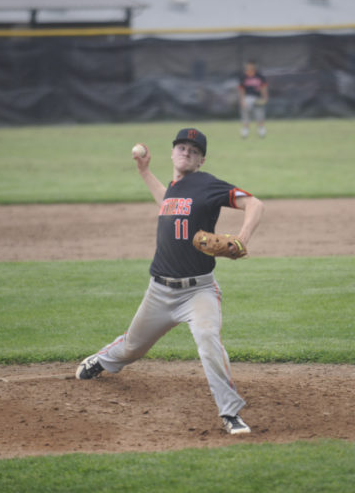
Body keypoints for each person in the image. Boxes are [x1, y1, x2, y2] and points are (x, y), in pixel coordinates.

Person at [76, 128, 264, 435]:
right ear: (173, 152)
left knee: (208, 340)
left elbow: (256, 204)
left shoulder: (207, 184)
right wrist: (145, 171)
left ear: (201, 159)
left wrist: (242, 238)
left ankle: (230, 413)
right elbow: (166, 202)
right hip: (159, 292)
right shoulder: (175, 188)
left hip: (199, 291)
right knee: (132, 348)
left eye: (194, 149)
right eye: (181, 146)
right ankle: (102, 360)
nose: (186, 151)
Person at [238, 60, 269, 139]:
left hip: (257, 98)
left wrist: (265, 97)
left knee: (260, 116)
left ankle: (261, 132)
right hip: (247, 98)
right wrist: (242, 100)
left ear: (255, 66)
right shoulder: (243, 76)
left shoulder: (259, 76)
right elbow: (241, 89)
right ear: (246, 66)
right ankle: (245, 133)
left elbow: (263, 87)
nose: (250, 67)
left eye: (252, 65)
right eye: (249, 65)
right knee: (245, 116)